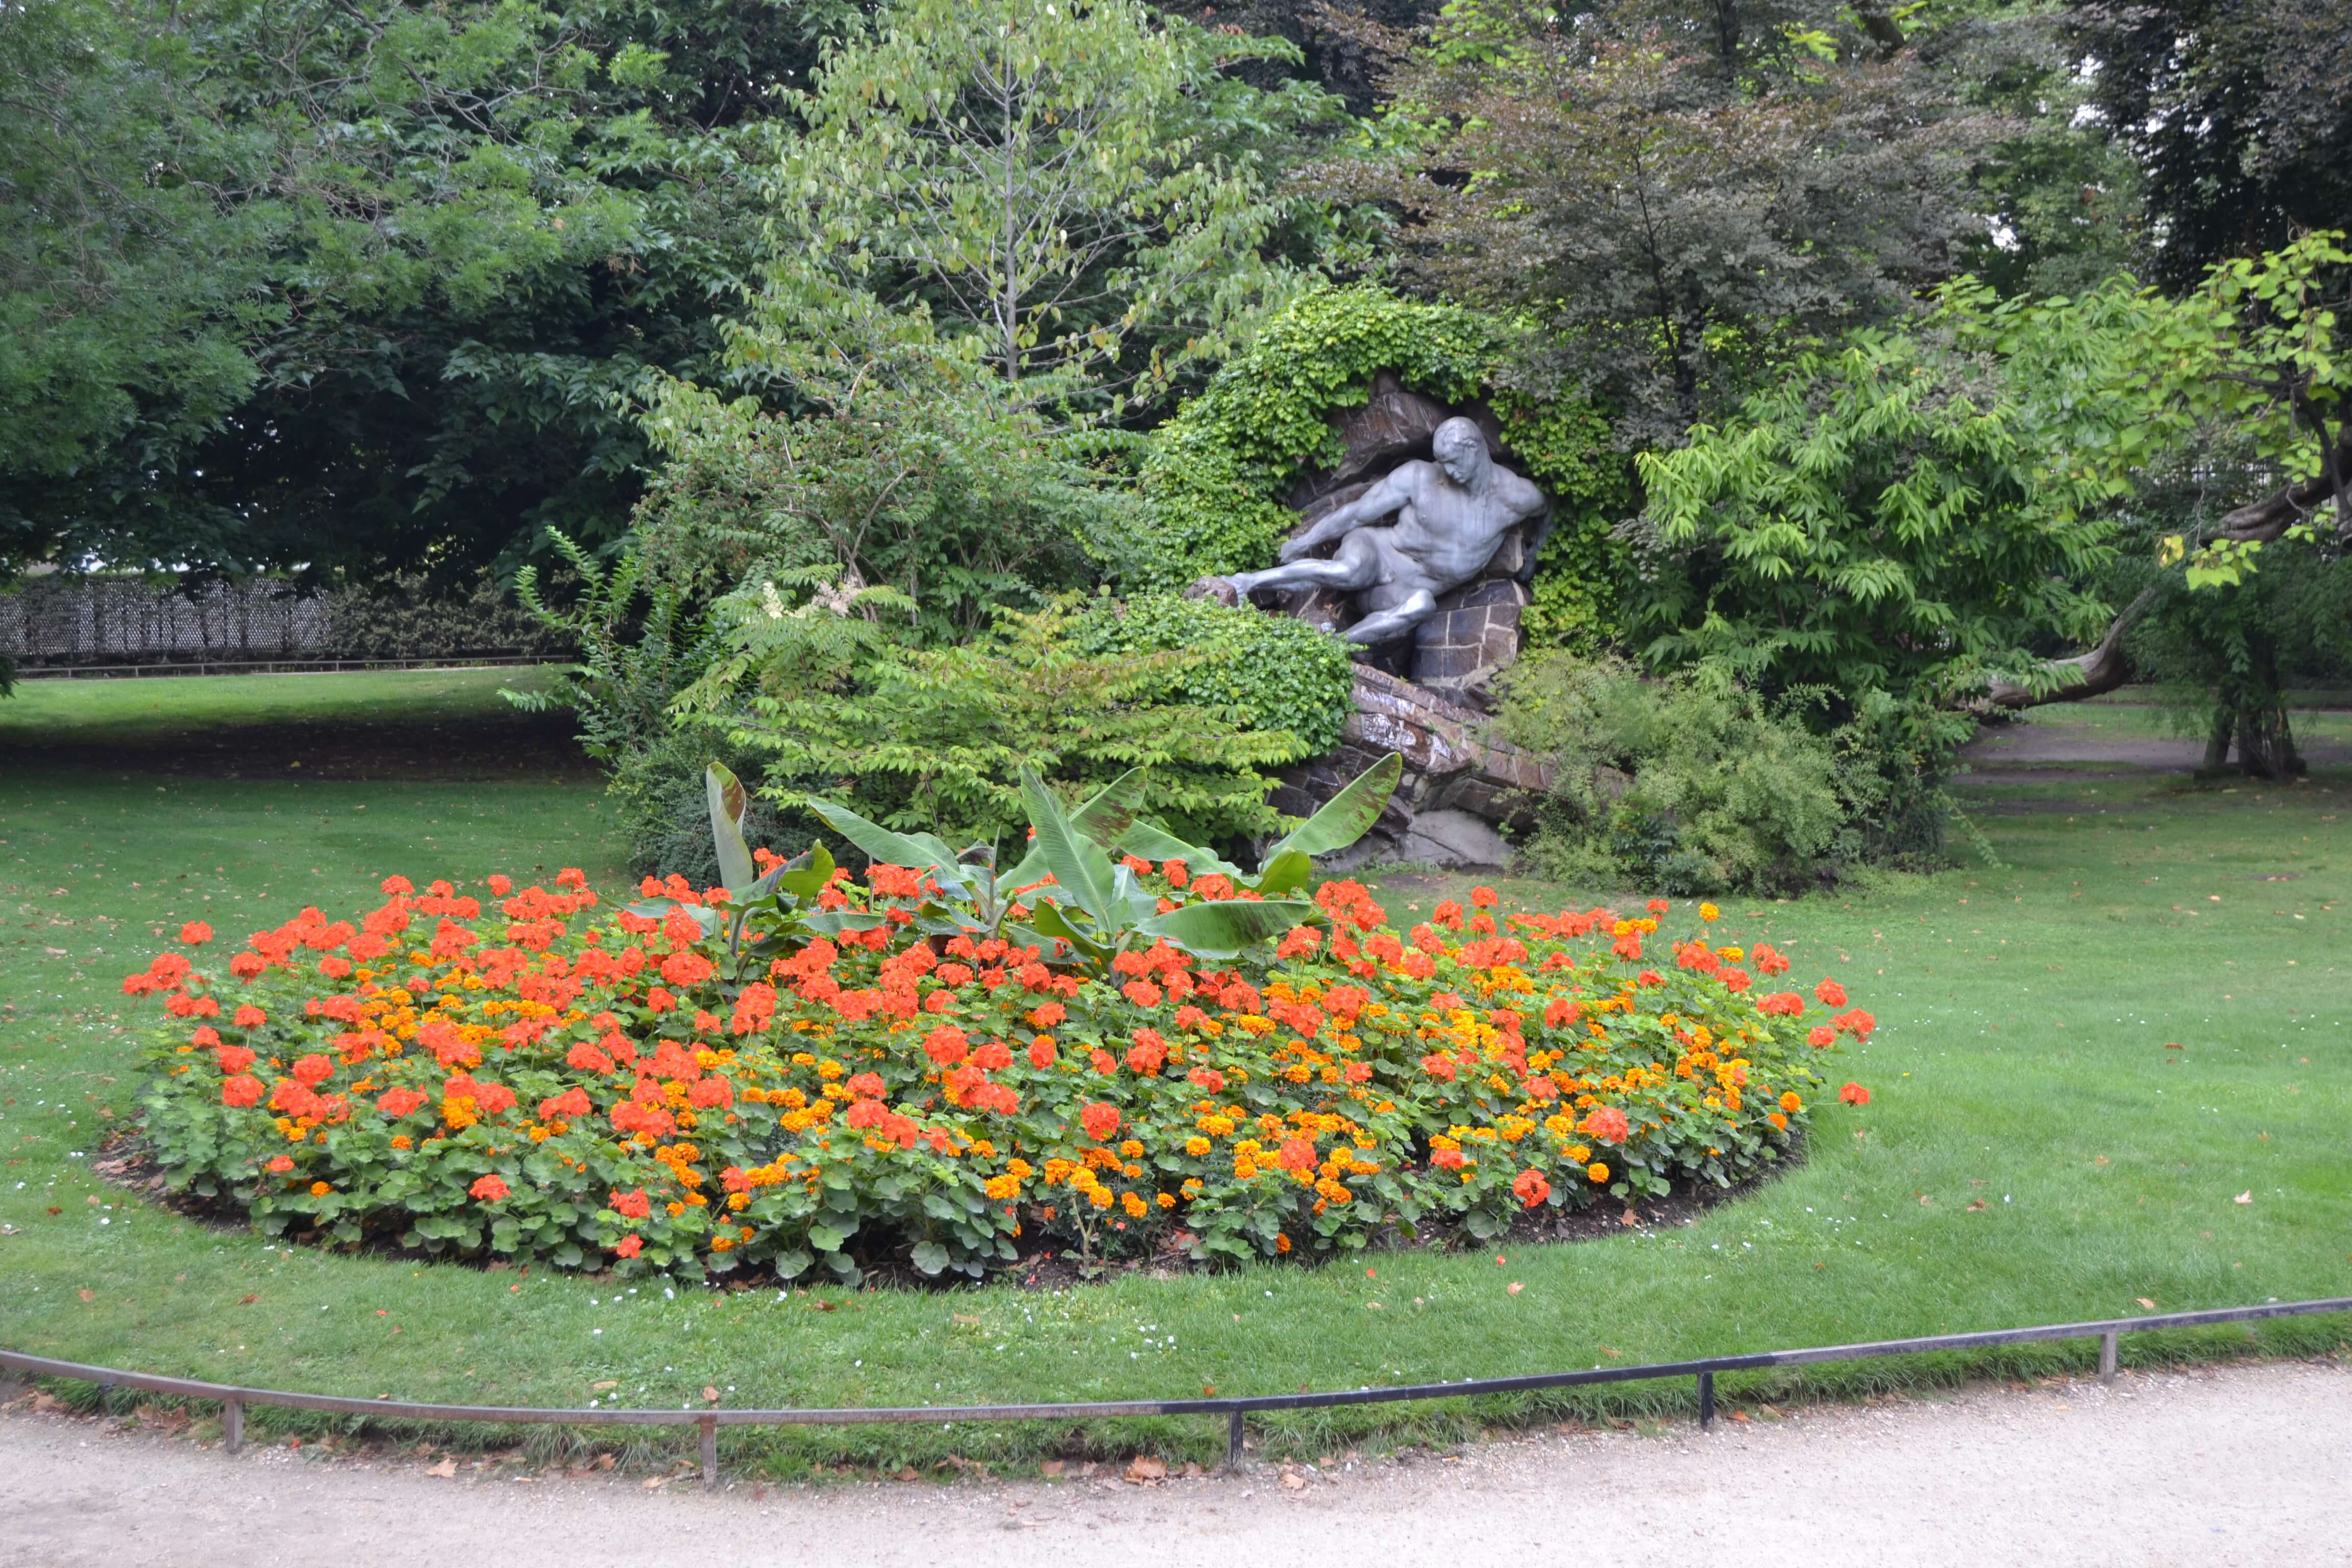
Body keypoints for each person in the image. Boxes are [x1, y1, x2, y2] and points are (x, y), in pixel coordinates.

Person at [1198, 416, 1548, 650]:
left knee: (1422, 605)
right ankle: (1247, 582)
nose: (1448, 471)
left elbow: (1549, 510)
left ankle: (1338, 646)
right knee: (1347, 570)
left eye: (1454, 462)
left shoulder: (1517, 498)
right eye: (1442, 462)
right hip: (1380, 551)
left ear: (1474, 449)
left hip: (1408, 589)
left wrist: (1533, 555)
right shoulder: (1420, 476)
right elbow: (1356, 514)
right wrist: (1304, 542)